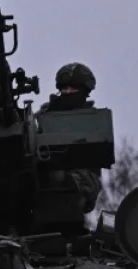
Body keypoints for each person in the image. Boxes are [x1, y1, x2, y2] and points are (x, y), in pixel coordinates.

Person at [37, 62, 102, 214]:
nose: (68, 92)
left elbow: (93, 167)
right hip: (41, 175)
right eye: (64, 89)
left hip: (79, 180)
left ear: (85, 92)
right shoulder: (44, 115)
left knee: (61, 178)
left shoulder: (93, 122)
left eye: (73, 89)